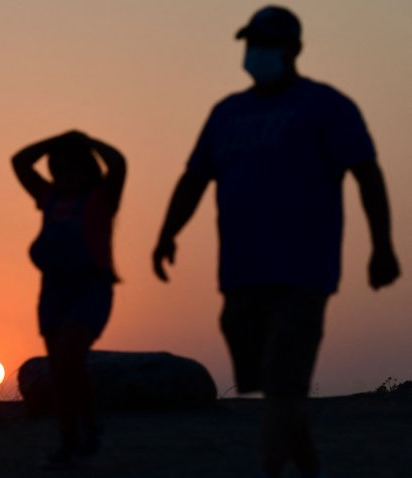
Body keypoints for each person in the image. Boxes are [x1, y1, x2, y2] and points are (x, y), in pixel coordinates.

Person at [152, 6, 400, 478]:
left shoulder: (327, 106)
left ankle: (268, 470)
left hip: (303, 269)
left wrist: (382, 246)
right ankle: (310, 470)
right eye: (252, 42)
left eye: (266, 43)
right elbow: (194, 178)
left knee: (284, 383)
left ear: (293, 49)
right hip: (241, 273)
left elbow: (367, 174)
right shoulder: (227, 113)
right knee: (276, 389)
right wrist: (168, 232)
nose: (256, 52)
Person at [12, 130, 126, 468]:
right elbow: (19, 162)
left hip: (91, 287)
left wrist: (88, 140)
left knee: (67, 356)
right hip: (53, 289)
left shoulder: (103, 196)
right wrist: (57, 140)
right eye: (57, 169)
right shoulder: (47, 195)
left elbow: (118, 163)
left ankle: (88, 426)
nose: (63, 175)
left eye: (71, 168)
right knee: (62, 370)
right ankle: (70, 440)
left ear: (87, 168)